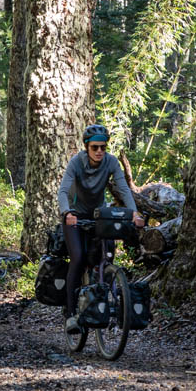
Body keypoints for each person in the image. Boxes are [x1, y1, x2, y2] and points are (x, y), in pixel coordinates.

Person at [58, 124, 144, 334]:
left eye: (103, 148)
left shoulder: (111, 162)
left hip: (99, 215)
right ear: (87, 147)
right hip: (75, 217)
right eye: (95, 147)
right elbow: (63, 190)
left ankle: (100, 294)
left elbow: (123, 189)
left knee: (106, 256)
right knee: (78, 258)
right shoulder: (76, 163)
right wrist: (67, 213)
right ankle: (70, 314)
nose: (99, 152)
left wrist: (134, 213)